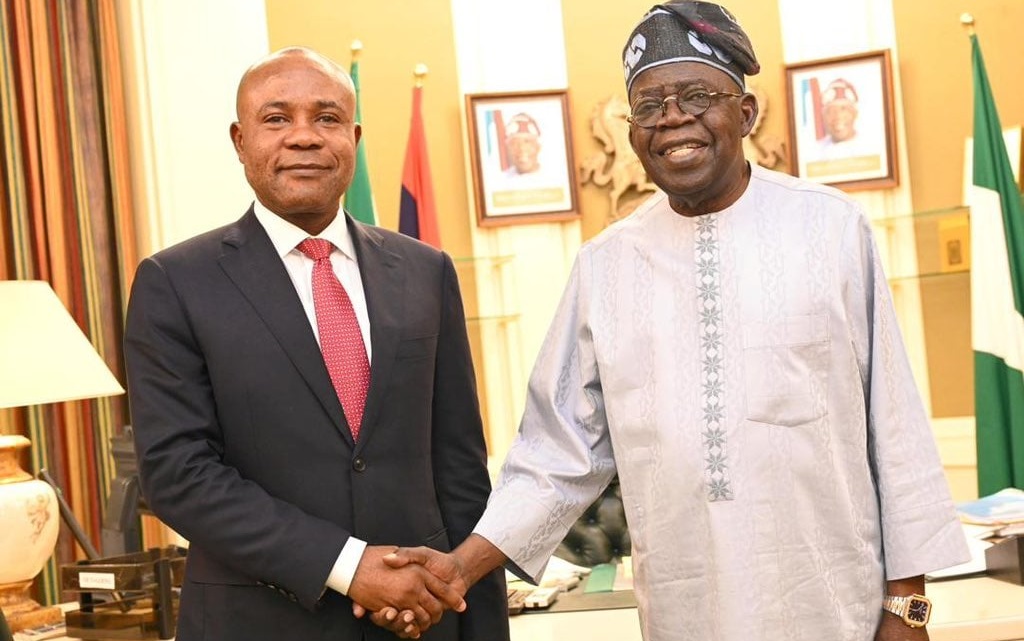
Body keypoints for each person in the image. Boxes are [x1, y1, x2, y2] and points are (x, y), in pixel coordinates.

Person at [372, 3, 970, 640]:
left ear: (745, 113)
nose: (673, 118)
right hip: (687, 611)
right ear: (633, 133)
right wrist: (459, 569)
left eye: (697, 96)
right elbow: (557, 451)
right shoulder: (605, 265)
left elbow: (894, 425)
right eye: (649, 106)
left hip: (834, 607)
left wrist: (907, 605)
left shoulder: (831, 227)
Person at [123, 46, 508, 641]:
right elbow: (179, 474)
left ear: (354, 137)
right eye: (276, 118)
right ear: (240, 140)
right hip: (258, 625)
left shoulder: (426, 271)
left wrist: (480, 625)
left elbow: (460, 469)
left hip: (422, 623)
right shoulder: (175, 283)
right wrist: (349, 567)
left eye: (326, 118)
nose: (304, 136)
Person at [815, 77, 873, 160]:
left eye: (843, 109)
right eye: (831, 111)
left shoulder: (870, 148)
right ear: (824, 116)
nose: (837, 116)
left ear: (855, 114)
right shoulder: (815, 152)